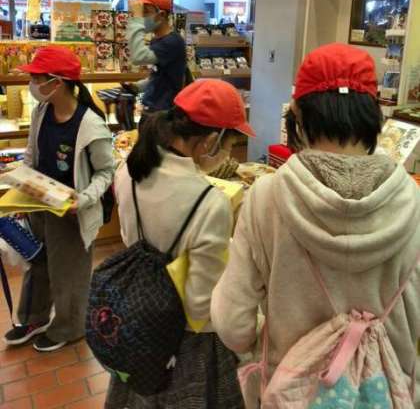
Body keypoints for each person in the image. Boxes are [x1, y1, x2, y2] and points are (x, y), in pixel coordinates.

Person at [211, 43, 420, 405]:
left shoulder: (266, 198)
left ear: (297, 113)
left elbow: (231, 323)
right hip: (389, 392)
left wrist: (267, 344)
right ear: (376, 114)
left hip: (291, 393)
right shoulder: (413, 203)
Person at [105, 79, 255, 409]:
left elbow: (135, 241)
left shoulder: (129, 169)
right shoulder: (209, 202)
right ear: (211, 141)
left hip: (139, 319)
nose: (229, 154)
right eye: (230, 144)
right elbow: (201, 308)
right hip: (185, 348)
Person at [4, 45, 115, 352]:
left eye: (37, 78)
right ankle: (33, 318)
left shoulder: (90, 124)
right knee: (37, 263)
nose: (32, 84)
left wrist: (84, 199)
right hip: (39, 206)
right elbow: (32, 156)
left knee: (69, 273)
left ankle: (70, 326)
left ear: (57, 82)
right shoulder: (41, 112)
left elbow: (106, 171)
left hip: (71, 213)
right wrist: (18, 182)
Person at [128, 0, 187, 114]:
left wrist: (137, 19)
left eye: (145, 12)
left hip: (164, 114)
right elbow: (159, 77)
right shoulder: (157, 40)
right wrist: (137, 86)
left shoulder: (172, 42)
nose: (142, 17)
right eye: (140, 12)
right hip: (153, 109)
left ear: (161, 15)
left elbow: (138, 57)